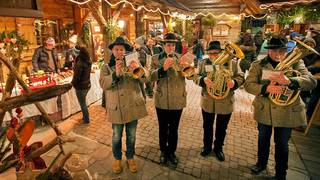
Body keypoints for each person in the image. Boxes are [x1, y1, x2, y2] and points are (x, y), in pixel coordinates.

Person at [245, 36, 317, 180]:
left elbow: (312, 82)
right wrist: (266, 88)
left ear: (286, 50)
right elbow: (248, 85)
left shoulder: (296, 63)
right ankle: (261, 164)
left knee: (282, 144)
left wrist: (291, 80)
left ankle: (280, 174)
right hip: (264, 109)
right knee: (263, 139)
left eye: (281, 51)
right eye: (274, 51)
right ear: (268, 50)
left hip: (287, 111)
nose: (278, 54)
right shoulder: (258, 65)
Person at [99, 36, 148, 174]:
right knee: (116, 135)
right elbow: (103, 83)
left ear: (126, 51)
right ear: (113, 51)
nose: (119, 52)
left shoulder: (133, 63)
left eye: (122, 49)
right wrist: (116, 74)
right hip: (116, 108)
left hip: (132, 105)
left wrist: (137, 68)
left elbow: (146, 78)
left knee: (131, 135)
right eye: (116, 49)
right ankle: (117, 158)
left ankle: (130, 157)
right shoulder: (107, 66)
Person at [194, 41, 244, 161]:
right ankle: (207, 146)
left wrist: (234, 82)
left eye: (215, 53)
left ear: (221, 52)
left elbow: (241, 76)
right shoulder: (204, 62)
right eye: (210, 53)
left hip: (225, 101)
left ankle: (218, 148)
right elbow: (195, 77)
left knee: (222, 128)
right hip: (208, 101)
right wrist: (203, 80)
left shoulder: (232, 62)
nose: (212, 56)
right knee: (207, 126)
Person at [150, 33, 188, 166]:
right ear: (164, 46)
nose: (170, 47)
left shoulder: (181, 58)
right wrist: (163, 69)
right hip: (162, 100)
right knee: (162, 128)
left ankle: (171, 152)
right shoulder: (155, 58)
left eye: (172, 45)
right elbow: (150, 77)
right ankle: (163, 151)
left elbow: (189, 76)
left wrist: (187, 68)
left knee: (174, 129)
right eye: (168, 45)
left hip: (177, 99)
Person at [71, 45, 92, 124]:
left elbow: (77, 77)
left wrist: (72, 84)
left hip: (81, 87)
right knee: (83, 102)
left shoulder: (79, 63)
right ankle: (85, 117)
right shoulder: (88, 60)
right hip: (87, 84)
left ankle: (86, 119)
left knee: (82, 104)